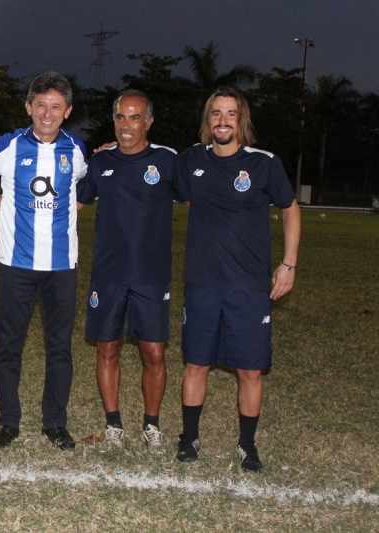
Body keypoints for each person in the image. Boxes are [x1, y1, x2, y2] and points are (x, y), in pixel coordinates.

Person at [174, 87, 301, 472]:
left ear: (241, 120)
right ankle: (189, 437)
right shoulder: (192, 159)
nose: (223, 120)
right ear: (208, 119)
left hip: (248, 287)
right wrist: (115, 147)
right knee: (196, 364)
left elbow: (290, 209)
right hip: (202, 283)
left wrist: (289, 264)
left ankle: (247, 444)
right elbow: (153, 168)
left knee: (250, 370)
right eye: (216, 113)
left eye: (230, 113)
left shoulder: (264, 163)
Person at [0, 71, 88, 451]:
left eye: (56, 106)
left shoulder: (77, 150)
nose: (47, 113)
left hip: (61, 266)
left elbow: (88, 188)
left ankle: (55, 423)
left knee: (60, 348)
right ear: (28, 107)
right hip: (15, 264)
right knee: (9, 346)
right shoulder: (10, 145)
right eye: (41, 105)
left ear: (67, 111)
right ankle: (8, 422)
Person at [77, 89, 179, 453]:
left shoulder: (167, 160)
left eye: (135, 117)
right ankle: (113, 425)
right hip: (108, 273)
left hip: (151, 275)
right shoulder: (101, 162)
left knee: (154, 353)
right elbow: (75, 204)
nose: (126, 125)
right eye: (120, 117)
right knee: (108, 348)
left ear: (148, 122)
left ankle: (151, 425)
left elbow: (197, 195)